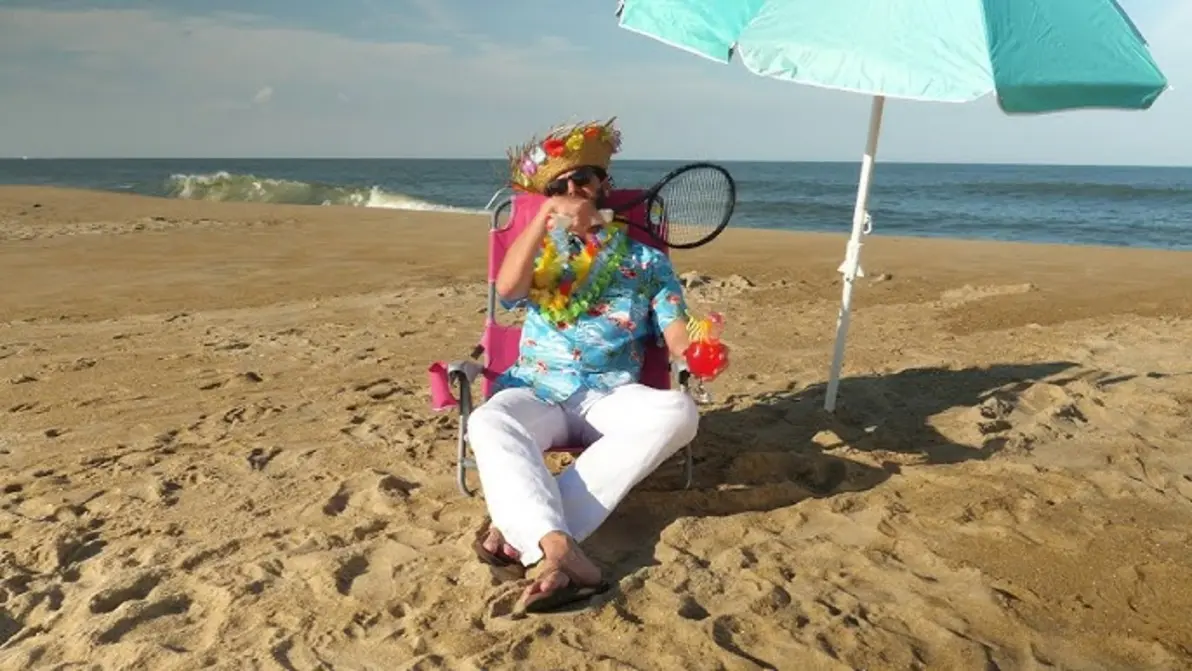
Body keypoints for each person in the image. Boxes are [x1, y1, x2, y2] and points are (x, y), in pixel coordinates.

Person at [466, 119, 699, 614]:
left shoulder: (647, 261)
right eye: (558, 186)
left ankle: (523, 535)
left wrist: (699, 348)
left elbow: (677, 333)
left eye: (583, 179)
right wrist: (545, 215)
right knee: (489, 419)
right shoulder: (541, 251)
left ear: (602, 185)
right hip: (537, 388)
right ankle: (558, 550)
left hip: (609, 395)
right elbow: (508, 291)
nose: (573, 190)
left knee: (679, 411)